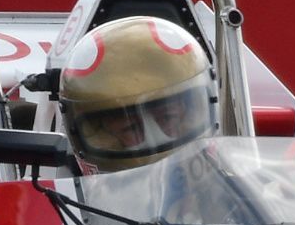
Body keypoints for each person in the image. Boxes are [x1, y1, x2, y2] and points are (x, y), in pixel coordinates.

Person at [58, 16, 217, 173]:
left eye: (168, 117)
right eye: (130, 128)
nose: (156, 139)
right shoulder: (56, 196)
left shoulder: (235, 189)